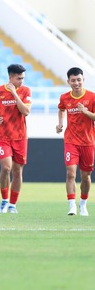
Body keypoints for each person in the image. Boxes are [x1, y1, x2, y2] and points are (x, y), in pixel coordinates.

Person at [0, 64, 31, 214]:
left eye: (22, 78)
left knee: (17, 171)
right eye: (19, 78)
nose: (21, 81)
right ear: (10, 77)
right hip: (3, 136)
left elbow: (26, 111)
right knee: (6, 168)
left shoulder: (25, 91)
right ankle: (4, 200)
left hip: (20, 137)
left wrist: (15, 94)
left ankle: (13, 204)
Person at [56, 67, 95, 216]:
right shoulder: (65, 97)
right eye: (73, 80)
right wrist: (60, 123)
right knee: (70, 173)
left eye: (79, 79)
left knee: (85, 176)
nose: (76, 83)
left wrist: (85, 112)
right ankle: (71, 206)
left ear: (83, 80)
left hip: (88, 142)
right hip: (71, 141)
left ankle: (83, 204)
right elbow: (61, 109)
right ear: (68, 82)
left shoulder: (92, 97)